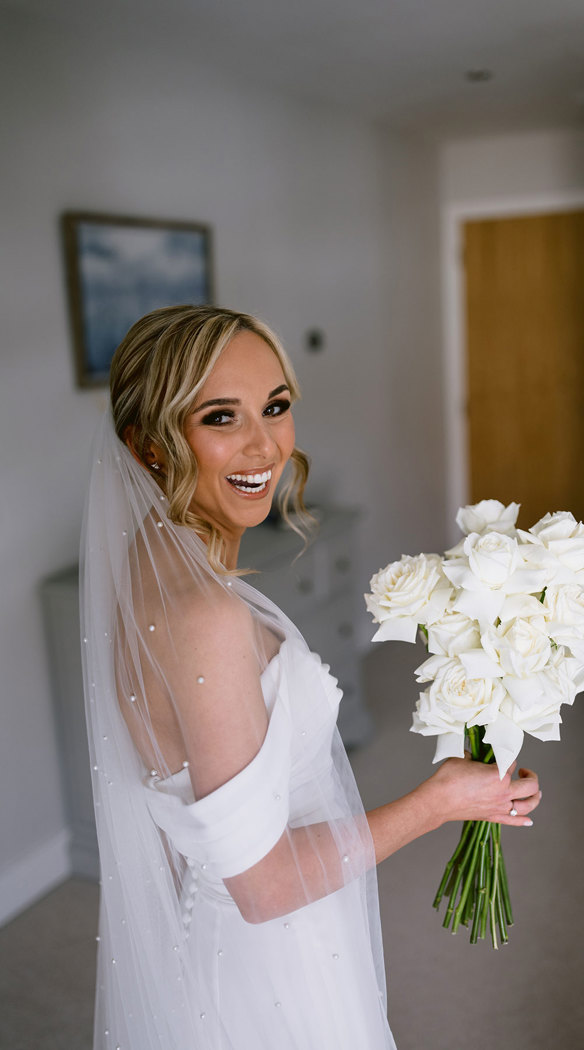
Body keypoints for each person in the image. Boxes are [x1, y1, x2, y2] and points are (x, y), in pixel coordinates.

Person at [81, 305, 541, 1050]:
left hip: (216, 935)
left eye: (276, 406)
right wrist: (441, 801)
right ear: (149, 446)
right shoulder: (206, 617)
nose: (264, 444)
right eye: (220, 417)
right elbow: (262, 889)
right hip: (268, 961)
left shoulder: (145, 560)